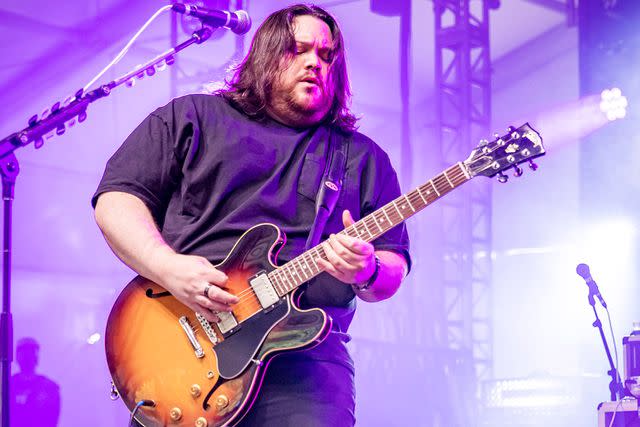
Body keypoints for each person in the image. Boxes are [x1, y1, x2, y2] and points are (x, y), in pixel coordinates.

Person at [93, 4, 410, 426]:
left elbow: (393, 268)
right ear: (266, 52)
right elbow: (117, 199)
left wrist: (367, 269)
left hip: (306, 363)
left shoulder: (361, 158)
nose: (315, 61)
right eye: (298, 49)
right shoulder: (193, 117)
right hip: (185, 338)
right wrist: (167, 267)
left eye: (327, 55)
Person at [10, 337, 61, 427]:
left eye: (30, 353)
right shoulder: (7, 385)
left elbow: (52, 420)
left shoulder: (49, 388)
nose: (27, 356)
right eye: (24, 352)